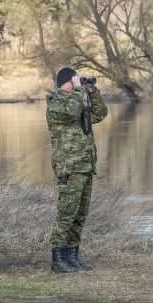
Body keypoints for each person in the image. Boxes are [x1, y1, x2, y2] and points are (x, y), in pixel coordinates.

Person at [46, 66, 108, 273]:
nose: (79, 83)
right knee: (67, 214)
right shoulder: (57, 103)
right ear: (67, 82)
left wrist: (93, 92)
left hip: (85, 165)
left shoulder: (78, 99)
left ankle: (72, 256)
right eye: (75, 80)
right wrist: (80, 90)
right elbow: (72, 111)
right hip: (69, 166)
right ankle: (58, 259)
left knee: (80, 215)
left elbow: (100, 114)